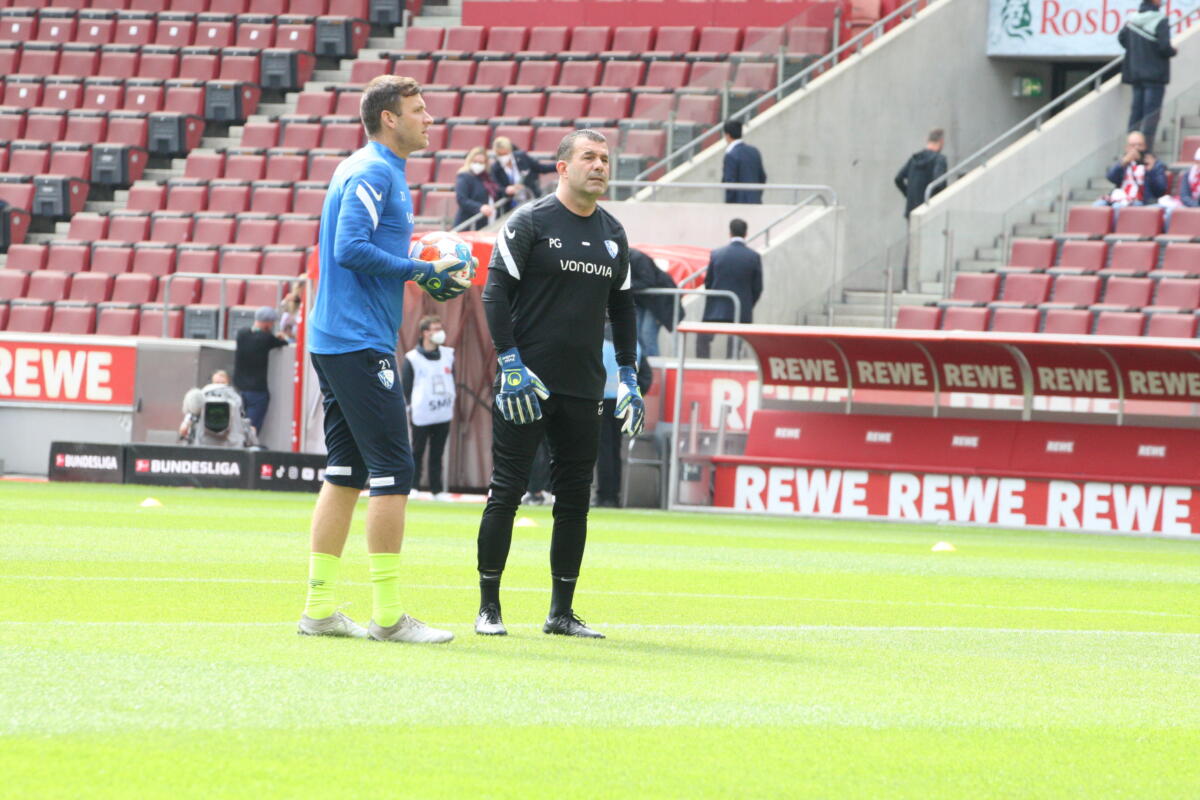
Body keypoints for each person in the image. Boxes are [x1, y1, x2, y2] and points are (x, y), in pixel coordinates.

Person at [298, 74, 474, 645]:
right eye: (419, 109)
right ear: (389, 118)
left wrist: (414, 253)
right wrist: (422, 269)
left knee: (345, 470)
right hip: (357, 340)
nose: (430, 118)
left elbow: (360, 244)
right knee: (394, 470)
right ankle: (390, 616)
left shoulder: (366, 168)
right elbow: (350, 248)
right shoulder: (375, 171)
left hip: (336, 337)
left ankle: (319, 610)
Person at [475, 129, 644, 639]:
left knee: (574, 500)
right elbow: (494, 294)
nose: (600, 166)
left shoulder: (614, 233)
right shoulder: (529, 221)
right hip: (526, 383)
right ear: (563, 167)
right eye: (589, 157)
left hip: (585, 387)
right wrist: (510, 363)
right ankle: (488, 608)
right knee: (507, 491)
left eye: (605, 158)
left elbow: (624, 308)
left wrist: (629, 374)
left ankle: (561, 613)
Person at [595, 326, 652, 507]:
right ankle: (614, 495)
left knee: (603, 449)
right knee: (615, 447)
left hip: (600, 401)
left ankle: (604, 495)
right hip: (624, 402)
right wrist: (636, 395)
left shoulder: (597, 342)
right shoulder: (633, 345)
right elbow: (646, 376)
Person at [402, 314, 456, 500]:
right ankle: (413, 486)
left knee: (437, 453)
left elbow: (452, 380)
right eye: (436, 329)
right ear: (425, 332)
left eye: (441, 328)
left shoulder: (448, 355)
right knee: (417, 451)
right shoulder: (412, 358)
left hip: (443, 411)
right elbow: (406, 387)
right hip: (421, 412)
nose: (440, 333)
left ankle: (437, 490)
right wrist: (410, 406)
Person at [697, 219, 763, 360]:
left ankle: (702, 364)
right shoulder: (753, 257)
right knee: (735, 344)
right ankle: (732, 365)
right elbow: (757, 287)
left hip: (717, 308)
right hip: (741, 309)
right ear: (746, 233)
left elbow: (708, 282)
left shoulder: (717, 254)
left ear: (730, 233)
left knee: (703, 338)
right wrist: (747, 304)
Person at [1119, 0, 1176, 150]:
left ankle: (1131, 149)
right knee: (1151, 114)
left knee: (1136, 114)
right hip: (1155, 75)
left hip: (1136, 74)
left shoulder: (1133, 19)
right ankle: (1146, 150)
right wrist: (1173, 51)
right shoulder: (1160, 19)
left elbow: (1122, 38)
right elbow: (1164, 47)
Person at [234, 306, 288, 434]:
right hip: (257, 391)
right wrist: (280, 338)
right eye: (272, 323)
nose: (272, 325)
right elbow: (284, 343)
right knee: (251, 430)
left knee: (237, 428)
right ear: (267, 323)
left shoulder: (241, 334)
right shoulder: (267, 338)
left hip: (239, 389)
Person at [178, 370, 259, 448]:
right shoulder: (236, 398)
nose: (219, 386)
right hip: (231, 445)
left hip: (202, 443)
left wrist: (186, 426)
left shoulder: (200, 396)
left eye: (222, 383)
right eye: (217, 383)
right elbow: (242, 421)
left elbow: (185, 427)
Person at [1095, 131, 1168, 211]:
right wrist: (1123, 162)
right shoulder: (1123, 162)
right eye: (1132, 145)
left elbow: (1160, 189)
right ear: (1127, 148)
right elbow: (1110, 177)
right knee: (1098, 205)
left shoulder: (1154, 164)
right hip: (1120, 198)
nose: (1136, 148)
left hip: (1140, 201)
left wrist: (1151, 171)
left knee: (1118, 206)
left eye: (1140, 145)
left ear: (1145, 146)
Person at [630, 246, 677, 358]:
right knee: (636, 334)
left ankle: (653, 365)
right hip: (642, 300)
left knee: (647, 333)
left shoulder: (637, 258)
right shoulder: (624, 259)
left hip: (658, 300)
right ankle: (644, 363)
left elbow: (648, 280)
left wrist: (627, 285)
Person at [490, 135, 557, 207]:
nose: (503, 157)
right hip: (511, 204)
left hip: (532, 198)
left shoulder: (522, 157)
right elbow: (495, 186)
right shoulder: (495, 168)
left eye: (505, 154)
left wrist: (558, 166)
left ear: (510, 150)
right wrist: (506, 190)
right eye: (500, 155)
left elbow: (540, 168)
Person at [895, 128, 948, 218]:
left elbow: (898, 179)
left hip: (912, 212)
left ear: (928, 140)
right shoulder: (939, 160)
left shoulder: (914, 159)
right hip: (930, 212)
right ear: (941, 142)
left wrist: (909, 196)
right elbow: (939, 183)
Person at [454, 146, 500, 230]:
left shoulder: (487, 177)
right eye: (475, 161)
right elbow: (461, 199)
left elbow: (497, 190)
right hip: (468, 223)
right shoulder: (464, 176)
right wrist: (480, 207)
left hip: (485, 221)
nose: (478, 164)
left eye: (481, 162)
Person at [721, 120, 767, 204]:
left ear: (727, 135)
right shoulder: (754, 151)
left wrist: (729, 204)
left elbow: (730, 183)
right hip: (755, 202)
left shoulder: (731, 155)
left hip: (738, 204)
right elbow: (762, 177)